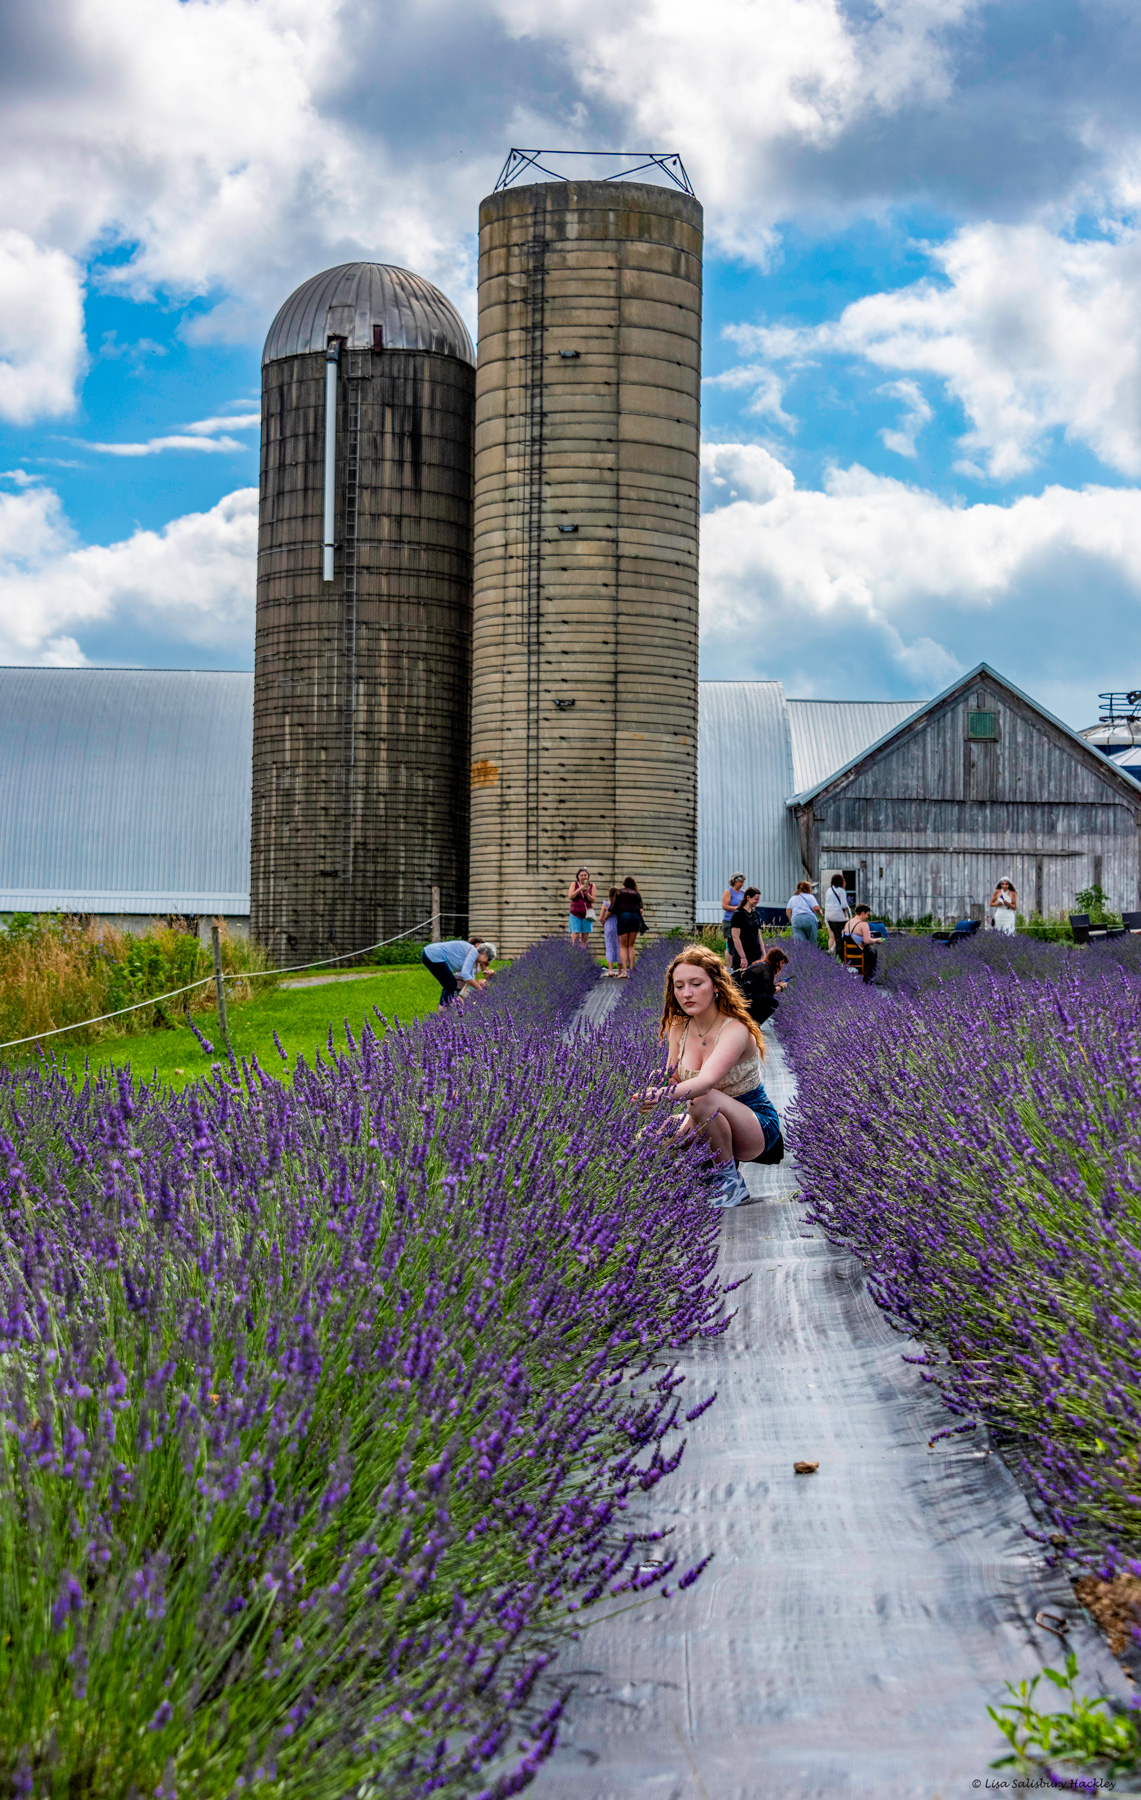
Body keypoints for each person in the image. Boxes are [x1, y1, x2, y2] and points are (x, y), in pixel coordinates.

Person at [642, 944, 782, 1209]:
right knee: (649, 1140)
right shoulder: (678, 1025)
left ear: (716, 985)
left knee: (702, 1098)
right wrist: (657, 1083)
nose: (687, 993)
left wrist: (660, 1096)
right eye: (679, 986)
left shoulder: (735, 1029)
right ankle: (688, 1179)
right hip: (703, 1117)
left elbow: (704, 1083)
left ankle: (729, 1182)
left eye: (696, 983)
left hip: (754, 1124)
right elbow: (674, 1077)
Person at [421, 938, 496, 1007]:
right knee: (451, 983)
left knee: (449, 985)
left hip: (429, 953)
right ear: (483, 953)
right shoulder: (473, 952)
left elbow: (470, 977)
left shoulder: (473, 955)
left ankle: (445, 1008)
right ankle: (443, 1010)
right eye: (488, 959)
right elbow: (465, 975)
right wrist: (479, 988)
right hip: (433, 954)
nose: (487, 962)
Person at [736, 946, 789, 1027]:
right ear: (776, 962)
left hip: (744, 992)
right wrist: (781, 987)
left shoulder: (762, 965)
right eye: (781, 963)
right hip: (745, 995)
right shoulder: (767, 969)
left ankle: (750, 1022)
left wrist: (777, 985)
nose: (782, 966)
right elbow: (769, 991)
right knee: (772, 1003)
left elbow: (763, 986)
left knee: (765, 999)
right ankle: (753, 1024)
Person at [614, 877, 645, 977]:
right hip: (635, 918)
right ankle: (631, 970)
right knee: (631, 946)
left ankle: (625, 972)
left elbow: (613, 907)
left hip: (623, 917)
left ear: (624, 885)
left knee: (623, 946)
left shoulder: (619, 893)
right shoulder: (637, 894)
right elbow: (641, 910)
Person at [730, 886, 765, 972]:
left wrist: (764, 954)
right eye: (756, 899)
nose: (757, 902)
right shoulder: (738, 914)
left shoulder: (756, 914)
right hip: (743, 953)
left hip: (755, 953)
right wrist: (743, 957)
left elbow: (759, 935)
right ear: (748, 897)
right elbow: (735, 937)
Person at [841, 905, 877, 983]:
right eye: (867, 914)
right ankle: (869, 978)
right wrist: (876, 940)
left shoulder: (848, 923)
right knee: (873, 952)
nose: (867, 916)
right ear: (862, 913)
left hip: (847, 955)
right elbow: (867, 940)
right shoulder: (863, 924)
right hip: (858, 955)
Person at [721, 872, 746, 969]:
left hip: (740, 921)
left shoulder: (743, 893)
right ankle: (728, 967)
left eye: (743, 882)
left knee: (739, 942)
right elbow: (724, 906)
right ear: (735, 881)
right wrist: (737, 908)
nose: (742, 884)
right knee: (729, 943)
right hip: (729, 920)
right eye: (740, 882)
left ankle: (739, 964)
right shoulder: (729, 892)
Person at [823, 872, 851, 957]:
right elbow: (844, 905)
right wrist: (849, 912)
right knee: (841, 935)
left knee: (832, 936)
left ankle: (831, 955)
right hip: (838, 916)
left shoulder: (829, 890)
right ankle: (838, 954)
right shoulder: (841, 891)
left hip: (827, 915)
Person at [567, 867, 596, 948]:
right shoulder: (574, 884)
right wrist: (579, 889)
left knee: (585, 936)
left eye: (585, 875)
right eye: (581, 875)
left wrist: (587, 894)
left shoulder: (592, 885)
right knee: (575, 936)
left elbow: (593, 900)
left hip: (587, 914)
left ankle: (583, 955)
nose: (583, 877)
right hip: (575, 914)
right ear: (578, 876)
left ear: (588, 876)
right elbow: (570, 896)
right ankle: (575, 955)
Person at [786, 880, 821, 945]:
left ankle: (801, 954)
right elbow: (816, 908)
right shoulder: (810, 897)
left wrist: (791, 920)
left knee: (799, 944)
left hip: (796, 919)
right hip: (809, 919)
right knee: (812, 942)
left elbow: (788, 911)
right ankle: (812, 954)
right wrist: (820, 913)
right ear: (808, 888)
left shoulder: (793, 898)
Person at [599, 886, 621, 976]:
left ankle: (610, 971)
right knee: (619, 947)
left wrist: (605, 924)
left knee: (609, 947)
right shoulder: (620, 905)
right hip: (618, 926)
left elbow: (601, 918)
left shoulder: (605, 904)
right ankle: (620, 971)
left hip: (608, 926)